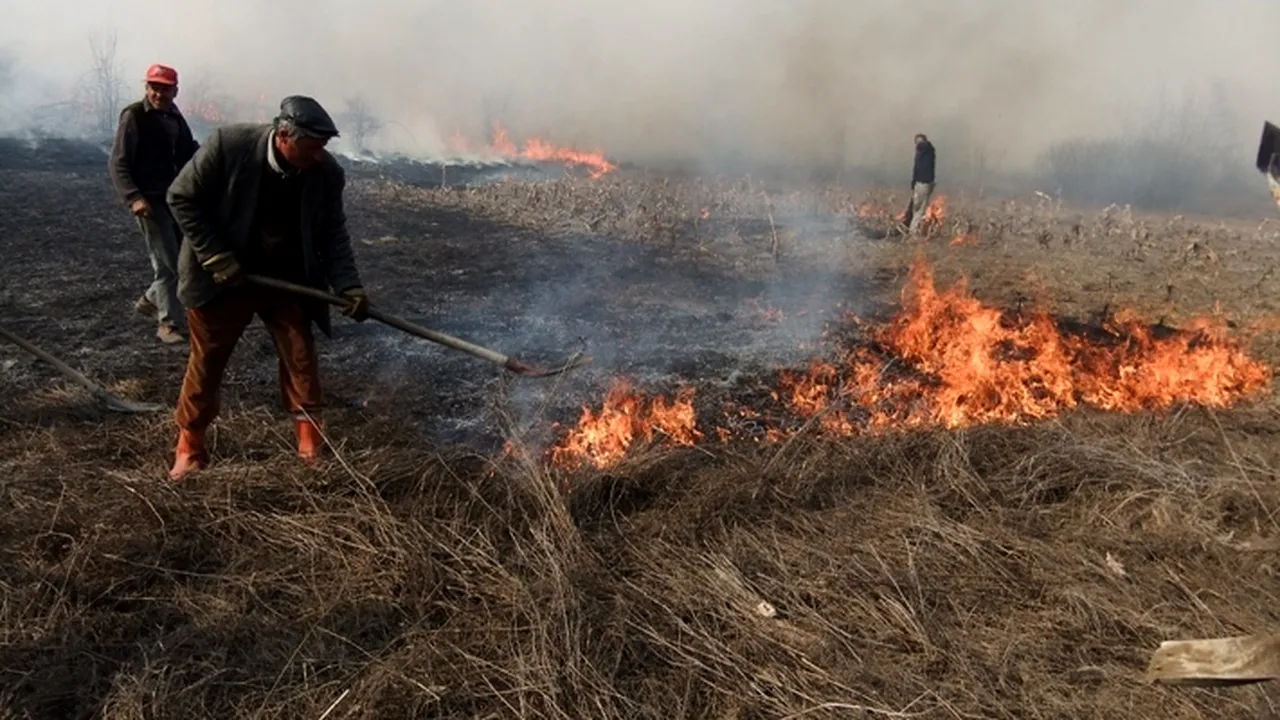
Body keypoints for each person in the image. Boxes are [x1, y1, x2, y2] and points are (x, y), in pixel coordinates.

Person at [164, 95, 371, 481]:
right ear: (283, 136)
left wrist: (349, 285)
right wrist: (215, 255)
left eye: (322, 148)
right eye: (311, 148)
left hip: (287, 278)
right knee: (207, 362)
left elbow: (333, 234)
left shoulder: (326, 173)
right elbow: (181, 196)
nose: (318, 157)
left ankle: (311, 450)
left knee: (301, 358)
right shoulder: (230, 146)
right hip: (223, 278)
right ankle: (189, 448)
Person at [108, 63, 200, 345]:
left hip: (175, 197)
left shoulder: (174, 116)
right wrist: (133, 197)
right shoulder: (134, 116)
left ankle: (151, 300)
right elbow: (118, 162)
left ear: (175, 91)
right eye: (154, 87)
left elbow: (188, 150)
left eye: (164, 88)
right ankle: (168, 324)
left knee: (184, 257)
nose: (158, 93)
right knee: (169, 264)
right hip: (149, 200)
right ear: (147, 88)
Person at [903, 133, 936, 234]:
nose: (918, 145)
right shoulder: (924, 152)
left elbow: (916, 171)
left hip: (921, 184)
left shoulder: (924, 152)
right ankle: (913, 233)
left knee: (917, 210)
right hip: (922, 184)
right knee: (919, 211)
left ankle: (912, 231)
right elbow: (916, 170)